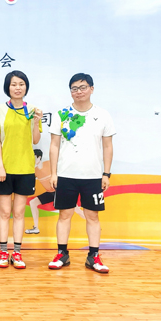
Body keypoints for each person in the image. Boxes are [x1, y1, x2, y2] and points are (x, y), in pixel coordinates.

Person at [48, 73, 115, 274]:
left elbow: (108, 146)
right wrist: (53, 173)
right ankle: (62, 254)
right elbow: (54, 145)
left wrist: (106, 174)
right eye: (74, 88)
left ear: (91, 89)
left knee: (92, 216)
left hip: (93, 176)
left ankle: (93, 256)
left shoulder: (103, 115)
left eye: (83, 87)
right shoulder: (62, 114)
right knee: (64, 215)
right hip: (66, 174)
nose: (79, 92)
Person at [0, 71, 42, 269]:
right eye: (13, 84)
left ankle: (17, 253)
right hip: (3, 169)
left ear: (26, 87)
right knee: (4, 212)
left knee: (19, 213)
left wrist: (36, 122)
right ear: (8, 87)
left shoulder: (33, 110)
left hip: (25, 169)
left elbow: (35, 140)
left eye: (21, 84)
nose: (18, 88)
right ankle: (3, 252)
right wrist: (0, 166)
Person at [26, 149, 83, 235]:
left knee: (76, 210)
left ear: (39, 157)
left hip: (60, 191)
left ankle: (91, 222)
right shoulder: (35, 170)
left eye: (34, 157)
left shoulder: (49, 164)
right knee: (33, 202)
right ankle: (36, 228)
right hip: (50, 193)